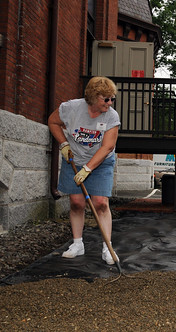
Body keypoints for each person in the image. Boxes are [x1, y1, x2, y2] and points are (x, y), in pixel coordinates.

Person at [48, 76, 121, 265]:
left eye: (112, 98)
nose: (110, 102)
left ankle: (107, 247)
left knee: (101, 203)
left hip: (101, 162)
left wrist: (88, 169)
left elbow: (107, 147)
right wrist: (63, 144)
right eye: (106, 99)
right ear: (93, 97)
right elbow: (52, 122)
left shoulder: (111, 116)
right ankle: (77, 244)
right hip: (75, 159)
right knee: (77, 202)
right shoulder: (70, 108)